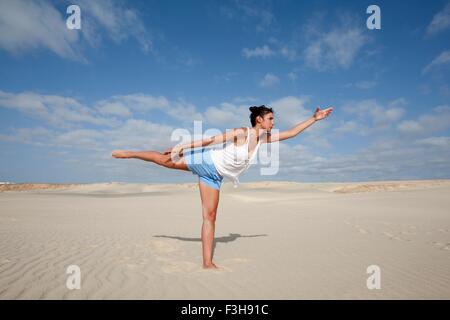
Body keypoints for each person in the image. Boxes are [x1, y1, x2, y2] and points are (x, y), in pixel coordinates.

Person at [112, 105, 333, 269]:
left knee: (210, 216)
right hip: (205, 160)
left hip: (215, 177)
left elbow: (292, 133)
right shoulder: (241, 133)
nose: (274, 122)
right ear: (259, 119)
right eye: (271, 118)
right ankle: (131, 153)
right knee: (164, 161)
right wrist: (182, 146)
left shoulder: (264, 139)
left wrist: (314, 118)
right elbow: (210, 141)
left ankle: (207, 263)